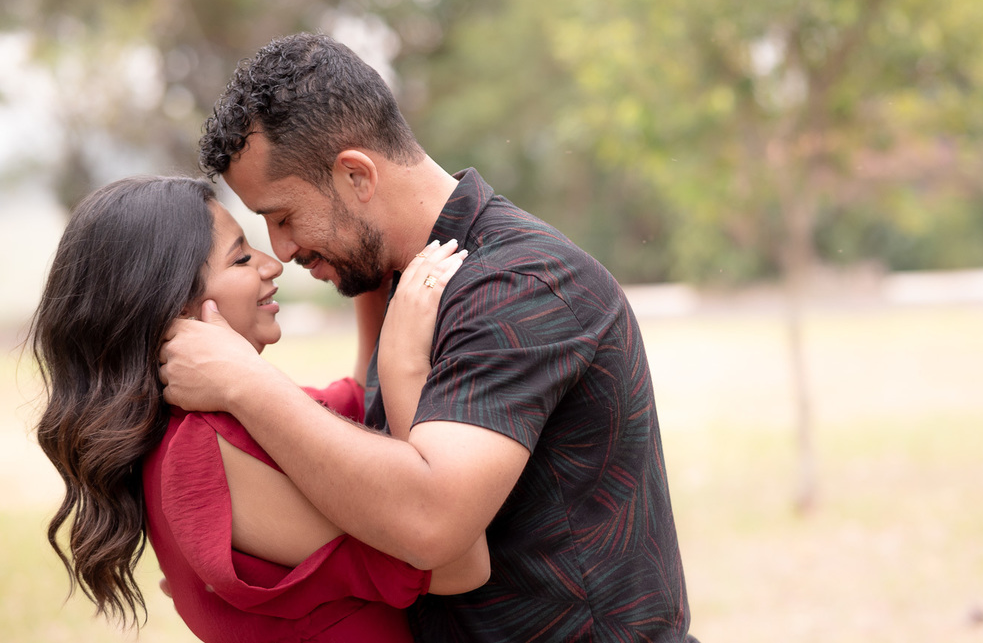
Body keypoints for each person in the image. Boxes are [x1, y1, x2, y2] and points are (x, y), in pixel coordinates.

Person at [159, 32, 698, 641]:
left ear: (356, 175)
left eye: (283, 217)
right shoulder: (397, 281)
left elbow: (431, 523)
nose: (280, 251)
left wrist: (241, 381)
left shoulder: (519, 287)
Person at [30, 175, 487, 642]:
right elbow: (457, 564)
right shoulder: (204, 448)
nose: (274, 264)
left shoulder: (205, 421)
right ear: (171, 303)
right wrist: (405, 362)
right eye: (242, 258)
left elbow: (356, 403)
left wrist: (369, 263)